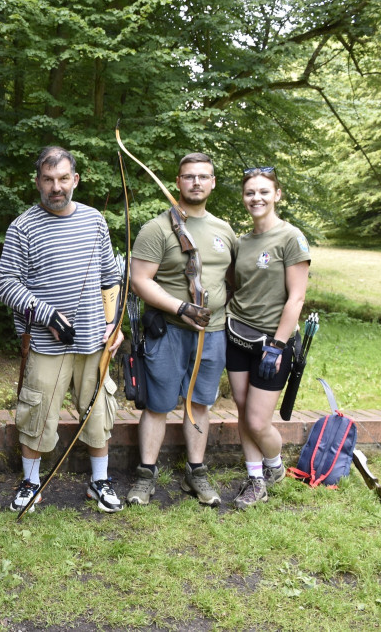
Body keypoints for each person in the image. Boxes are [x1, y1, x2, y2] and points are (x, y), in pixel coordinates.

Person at [0, 146, 125, 513]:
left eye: (63, 179)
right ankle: (31, 484)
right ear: (38, 182)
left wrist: (114, 325)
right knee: (37, 413)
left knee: (98, 409)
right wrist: (46, 315)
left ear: (75, 180)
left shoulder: (95, 220)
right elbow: (5, 283)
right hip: (45, 342)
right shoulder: (22, 226)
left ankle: (99, 482)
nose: (56, 187)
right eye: (48, 180)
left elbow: (110, 279)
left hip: (92, 340)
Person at [126, 152, 236, 507]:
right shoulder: (156, 229)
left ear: (213, 182)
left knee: (200, 403)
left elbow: (231, 280)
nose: (196, 182)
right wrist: (180, 307)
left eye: (204, 176)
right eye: (189, 176)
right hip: (169, 331)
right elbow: (139, 280)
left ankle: (196, 473)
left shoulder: (224, 230)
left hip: (213, 332)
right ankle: (145, 476)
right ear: (178, 181)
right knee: (157, 405)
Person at [226, 167, 310, 509]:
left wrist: (277, 345)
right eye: (250, 192)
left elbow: (297, 298)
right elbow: (234, 284)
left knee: (259, 420)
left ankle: (274, 466)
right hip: (235, 335)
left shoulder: (291, 238)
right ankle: (255, 478)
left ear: (277, 195)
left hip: (272, 343)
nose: (256, 198)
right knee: (244, 412)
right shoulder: (241, 243)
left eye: (263, 191)